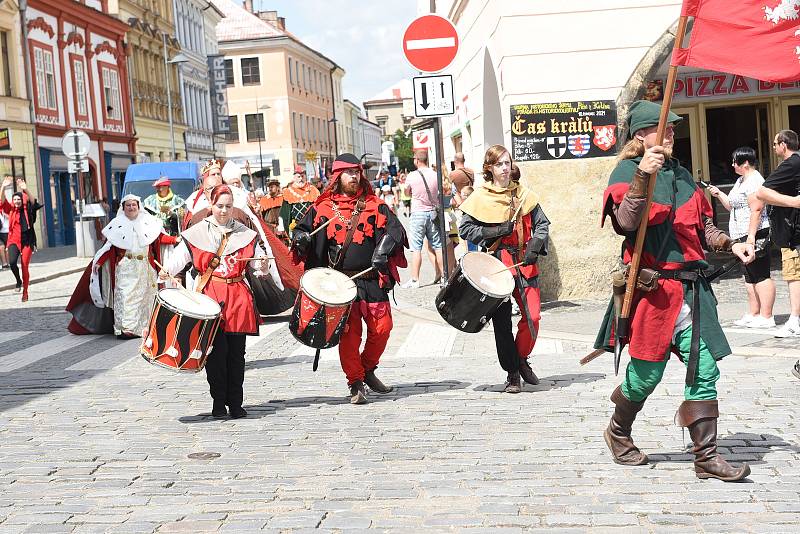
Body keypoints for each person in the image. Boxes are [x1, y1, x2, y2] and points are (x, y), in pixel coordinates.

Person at [594, 100, 754, 481]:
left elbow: (702, 230)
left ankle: (706, 458)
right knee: (645, 376)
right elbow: (626, 223)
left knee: (705, 368)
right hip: (654, 293)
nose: (670, 134)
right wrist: (642, 179)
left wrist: (729, 244)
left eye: (671, 129)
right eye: (663, 128)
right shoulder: (627, 171)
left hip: (693, 292)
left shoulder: (684, 175)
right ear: (640, 135)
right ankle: (618, 432)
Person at [290, 153, 407, 405]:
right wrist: (301, 239)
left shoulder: (375, 204)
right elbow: (300, 230)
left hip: (371, 279)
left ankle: (367, 369)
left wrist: (382, 252)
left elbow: (396, 230)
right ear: (337, 176)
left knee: (383, 329)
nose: (354, 176)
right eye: (349, 172)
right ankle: (355, 382)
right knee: (350, 336)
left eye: (357, 171)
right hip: (340, 284)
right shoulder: (322, 208)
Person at [161, 185, 274, 419]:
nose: (224, 211)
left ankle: (236, 402)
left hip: (238, 299)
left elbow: (258, 264)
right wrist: (166, 273)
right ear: (211, 205)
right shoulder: (197, 233)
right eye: (219, 206)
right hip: (210, 298)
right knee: (215, 354)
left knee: (236, 355)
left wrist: (262, 264)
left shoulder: (245, 234)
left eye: (228, 206)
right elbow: (176, 261)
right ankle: (218, 402)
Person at [458, 145, 549, 393]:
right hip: (496, 265)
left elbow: (542, 225)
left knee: (534, 317)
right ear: (489, 168)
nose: (505, 168)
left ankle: (520, 358)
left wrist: (535, 246)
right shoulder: (480, 198)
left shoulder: (524, 195)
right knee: (502, 323)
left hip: (525, 263)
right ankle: (512, 373)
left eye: (507, 162)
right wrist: (494, 232)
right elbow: (465, 229)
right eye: (499, 164)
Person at [86, 194, 177, 338]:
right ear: (123, 208)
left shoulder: (149, 222)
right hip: (125, 267)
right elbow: (109, 248)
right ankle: (126, 328)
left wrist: (175, 239)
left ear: (138, 206)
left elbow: (159, 238)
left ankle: (144, 328)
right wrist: (98, 262)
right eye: (128, 205)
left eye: (134, 205)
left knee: (145, 298)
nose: (131, 207)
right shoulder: (117, 224)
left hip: (146, 267)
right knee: (126, 297)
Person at [707, 147, 775, 328]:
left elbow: (757, 209)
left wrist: (752, 237)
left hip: (755, 233)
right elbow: (731, 206)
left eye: (734, 161)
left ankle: (767, 316)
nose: (732, 165)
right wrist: (719, 193)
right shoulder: (740, 180)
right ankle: (754, 313)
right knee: (749, 274)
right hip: (740, 234)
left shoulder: (755, 181)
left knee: (760, 273)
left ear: (745, 163)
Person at [754, 130, 800, 379]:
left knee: (794, 276)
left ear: (783, 145)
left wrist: (793, 202)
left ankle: (794, 319)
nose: (772, 148)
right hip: (791, 233)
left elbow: (762, 192)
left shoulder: (791, 162)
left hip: (794, 236)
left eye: (774, 144)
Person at [402, 150, 444, 288]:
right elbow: (440, 191)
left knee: (416, 248)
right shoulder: (435, 174)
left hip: (418, 213)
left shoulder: (412, 176)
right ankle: (444, 276)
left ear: (417, 160)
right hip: (433, 213)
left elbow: (406, 193)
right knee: (438, 246)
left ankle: (415, 279)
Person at [1, 176, 42, 301]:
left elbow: (33, 201)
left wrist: (25, 189)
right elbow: (1, 201)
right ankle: (18, 280)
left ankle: (25, 291)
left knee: (24, 265)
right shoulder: (11, 209)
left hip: (27, 241)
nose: (17, 201)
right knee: (12, 262)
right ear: (13, 201)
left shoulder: (28, 209)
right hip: (13, 240)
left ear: (22, 200)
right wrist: (3, 187)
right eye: (15, 199)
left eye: (19, 199)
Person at [280, 165, 320, 238]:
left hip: (311, 226)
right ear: (294, 178)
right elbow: (284, 213)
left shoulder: (313, 190)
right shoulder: (288, 192)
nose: (301, 179)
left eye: (303, 176)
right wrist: (282, 227)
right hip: (296, 226)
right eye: (298, 177)